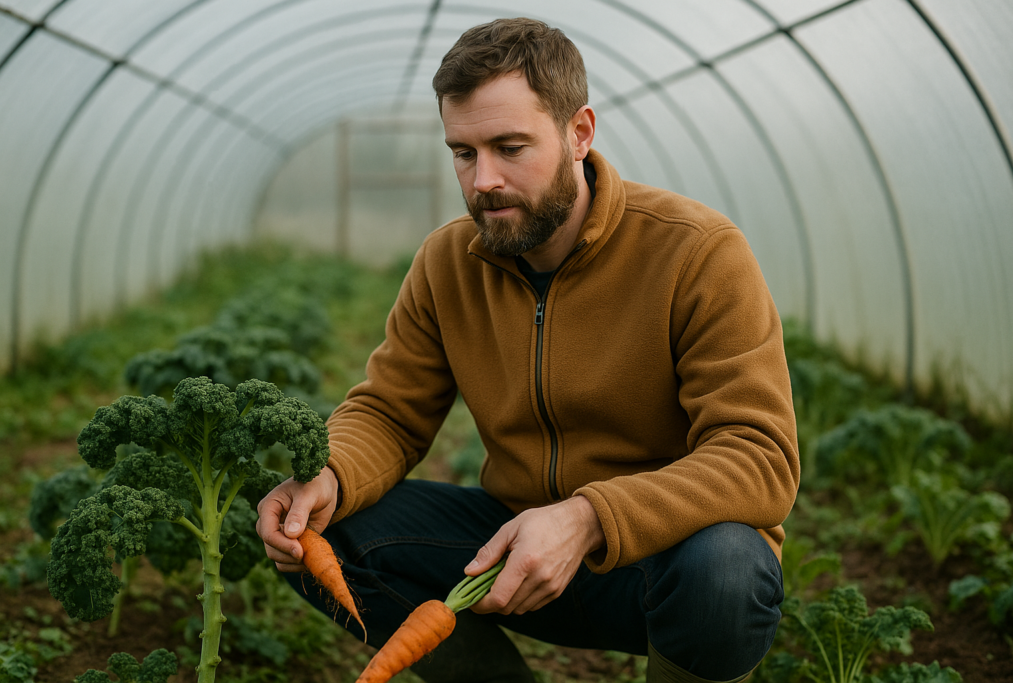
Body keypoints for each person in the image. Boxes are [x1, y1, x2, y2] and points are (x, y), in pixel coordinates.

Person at [256, 17, 799, 683]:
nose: (483, 180)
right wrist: (329, 476)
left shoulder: (696, 252)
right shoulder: (447, 262)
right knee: (323, 530)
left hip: (660, 565)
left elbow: (759, 455)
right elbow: (391, 412)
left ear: (580, 133)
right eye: (463, 152)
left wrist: (588, 516)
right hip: (511, 555)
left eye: (510, 147)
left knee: (729, 567)